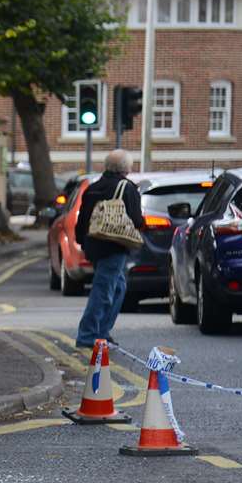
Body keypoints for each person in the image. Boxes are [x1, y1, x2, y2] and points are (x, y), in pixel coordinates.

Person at [73, 149, 144, 350]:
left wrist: (83, 242)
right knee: (103, 291)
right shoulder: (127, 188)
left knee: (118, 287)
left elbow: (82, 220)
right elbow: (136, 220)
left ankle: (102, 332)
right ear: (126, 168)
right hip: (115, 244)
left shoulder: (93, 188)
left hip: (94, 244)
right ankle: (88, 335)